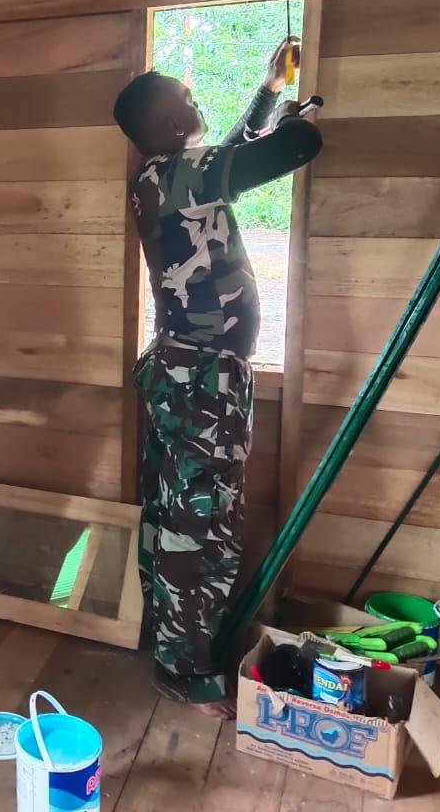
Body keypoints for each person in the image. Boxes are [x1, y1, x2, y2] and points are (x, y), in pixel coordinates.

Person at [113, 38, 323, 717]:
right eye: (189, 97)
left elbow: (230, 151)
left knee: (178, 515)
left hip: (188, 372)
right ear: (173, 123)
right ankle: (183, 669)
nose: (197, 101)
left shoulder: (166, 176)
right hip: (203, 381)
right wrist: (294, 118)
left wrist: (269, 91)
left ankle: (168, 643)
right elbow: (296, 148)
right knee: (200, 527)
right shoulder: (181, 174)